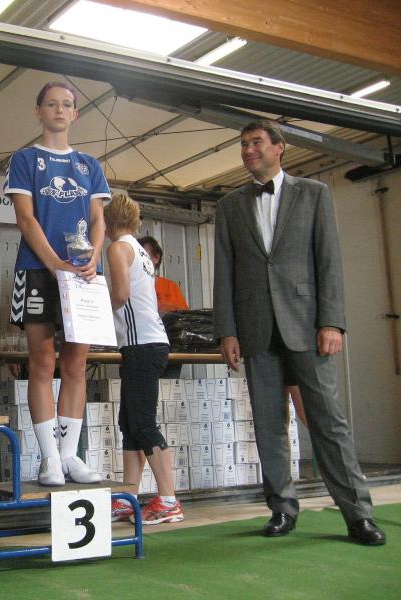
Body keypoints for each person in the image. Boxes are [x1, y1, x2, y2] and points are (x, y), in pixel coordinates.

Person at [213, 119, 385, 545]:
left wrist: (332, 321)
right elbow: (224, 271)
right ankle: (282, 509)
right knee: (268, 423)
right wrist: (226, 331)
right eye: (243, 144)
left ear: (280, 147)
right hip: (255, 327)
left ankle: (358, 515)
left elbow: (329, 260)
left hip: (308, 326)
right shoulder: (230, 205)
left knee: (329, 421)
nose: (248, 150)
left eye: (256, 142)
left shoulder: (314, 193)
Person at [5, 81, 109, 486]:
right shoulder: (25, 159)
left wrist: (94, 256)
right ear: (38, 111)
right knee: (43, 362)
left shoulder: (89, 165)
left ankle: (70, 457)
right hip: (37, 269)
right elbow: (25, 218)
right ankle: (49, 458)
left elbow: (98, 219)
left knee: (77, 364)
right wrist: (54, 264)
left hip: (83, 274)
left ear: (75, 114)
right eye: (52, 104)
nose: (60, 110)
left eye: (67, 104)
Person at [105, 194, 183, 525]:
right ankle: (129, 497)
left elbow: (121, 295)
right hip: (146, 344)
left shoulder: (118, 248)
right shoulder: (140, 250)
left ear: (106, 221)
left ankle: (168, 499)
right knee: (129, 424)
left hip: (143, 345)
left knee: (143, 424)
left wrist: (91, 310)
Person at [137, 235, 189, 314]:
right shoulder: (128, 287)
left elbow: (184, 316)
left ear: (156, 258)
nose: (138, 260)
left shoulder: (169, 287)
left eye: (143, 255)